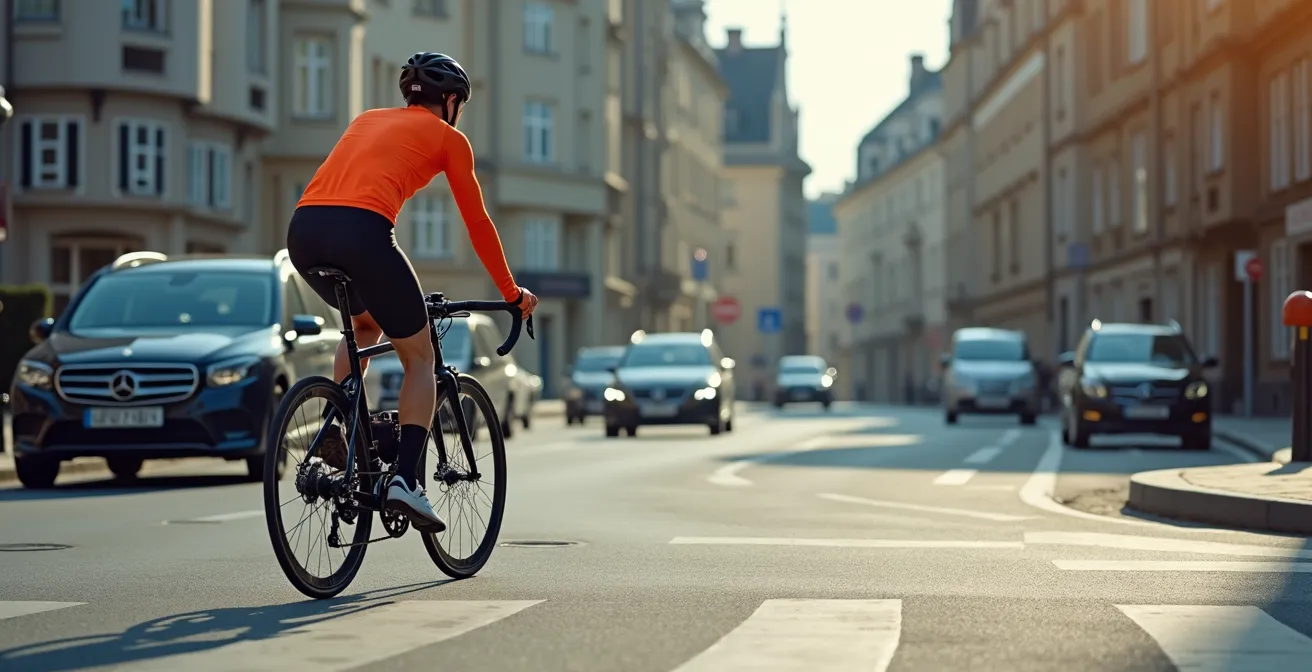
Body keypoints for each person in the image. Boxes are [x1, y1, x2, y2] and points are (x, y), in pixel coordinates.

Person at [284, 52, 539, 533]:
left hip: (303, 230)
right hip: (363, 232)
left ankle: (343, 426)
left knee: (363, 325)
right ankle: (404, 479)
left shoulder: (366, 120)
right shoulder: (450, 139)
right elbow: (478, 224)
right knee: (420, 359)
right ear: (449, 101)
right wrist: (510, 292)